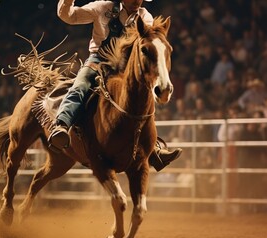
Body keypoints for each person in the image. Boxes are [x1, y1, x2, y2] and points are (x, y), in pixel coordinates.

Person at [48, 0, 182, 171]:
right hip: (98, 61)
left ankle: (152, 147)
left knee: (142, 98)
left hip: (124, 67)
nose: (137, 1)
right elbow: (69, 16)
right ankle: (62, 125)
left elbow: (147, 42)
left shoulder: (144, 16)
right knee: (80, 85)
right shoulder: (102, 7)